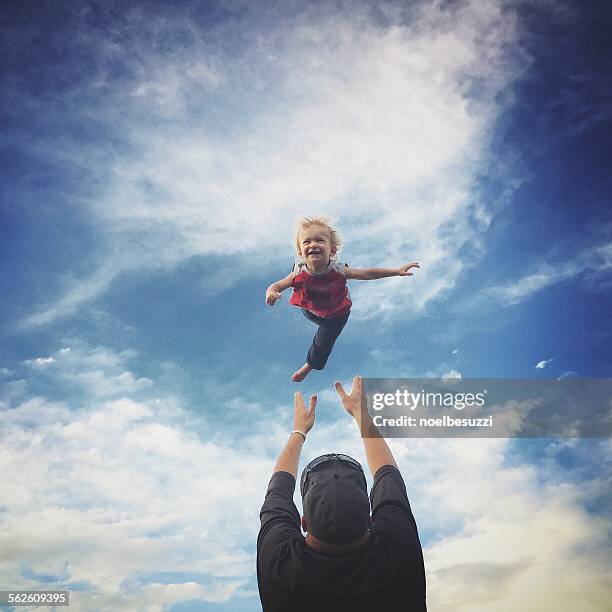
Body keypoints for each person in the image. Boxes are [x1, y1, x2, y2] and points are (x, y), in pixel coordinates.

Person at [257, 375, 427, 612]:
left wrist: (299, 431)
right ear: (369, 519)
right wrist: (361, 415)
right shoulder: (398, 555)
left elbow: (278, 489)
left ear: (304, 522)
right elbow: (387, 474)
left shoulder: (281, 568)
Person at [265, 217, 420, 382]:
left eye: (320, 240)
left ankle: (309, 365)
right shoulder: (297, 272)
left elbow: (368, 273)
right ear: (300, 252)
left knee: (323, 343)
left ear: (332, 250)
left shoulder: (339, 270)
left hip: (336, 315)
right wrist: (271, 294)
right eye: (306, 242)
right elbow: (276, 285)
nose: (313, 244)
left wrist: (396, 271)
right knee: (302, 289)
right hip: (310, 310)